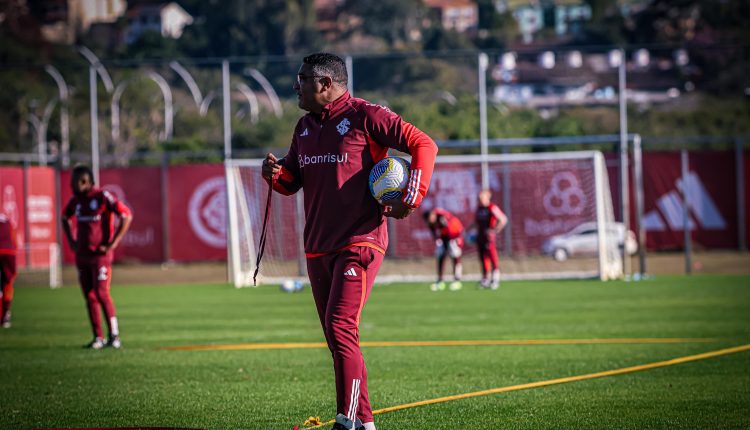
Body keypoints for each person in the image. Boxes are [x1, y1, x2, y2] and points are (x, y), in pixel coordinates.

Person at [261, 53, 437, 430]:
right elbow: (290, 183)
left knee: (341, 327)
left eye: (302, 78)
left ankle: (347, 421)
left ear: (324, 84)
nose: (296, 86)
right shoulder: (304, 127)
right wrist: (273, 175)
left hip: (361, 240)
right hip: (317, 246)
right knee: (339, 339)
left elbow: (424, 145)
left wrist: (412, 197)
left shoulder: (366, 116)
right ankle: (366, 423)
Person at [62, 165, 133, 349]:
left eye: (74, 182)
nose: (71, 185)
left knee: (101, 293)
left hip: (100, 256)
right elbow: (64, 217)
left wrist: (113, 243)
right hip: (82, 256)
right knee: (90, 297)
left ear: (84, 182)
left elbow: (126, 215)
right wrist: (72, 241)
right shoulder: (76, 201)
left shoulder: (102, 197)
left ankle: (114, 336)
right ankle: (98, 338)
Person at [470, 189, 508, 289]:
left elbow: (503, 219)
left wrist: (494, 231)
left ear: (487, 197)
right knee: (483, 258)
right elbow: (476, 222)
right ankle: (485, 279)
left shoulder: (492, 207)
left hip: (488, 238)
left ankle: (495, 279)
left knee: (492, 257)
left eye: (482, 197)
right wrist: (467, 230)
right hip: (480, 236)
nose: (480, 199)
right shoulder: (479, 208)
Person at [422, 208, 464, 292]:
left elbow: (449, 228)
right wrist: (438, 240)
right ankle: (440, 281)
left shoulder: (441, 216)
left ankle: (457, 280)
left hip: (454, 235)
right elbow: (434, 233)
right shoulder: (430, 222)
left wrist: (448, 241)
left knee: (455, 255)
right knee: (440, 255)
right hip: (444, 237)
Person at [0, 212, 17, 328]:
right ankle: (5, 315)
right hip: (9, 253)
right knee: (8, 284)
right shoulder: (6, 219)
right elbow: (13, 238)